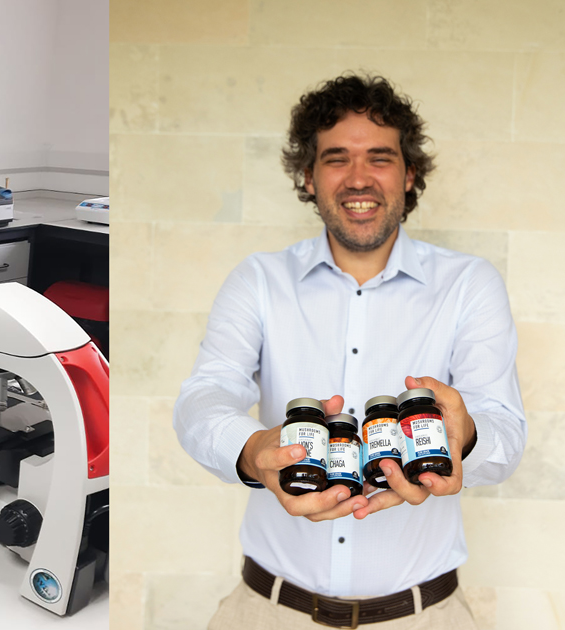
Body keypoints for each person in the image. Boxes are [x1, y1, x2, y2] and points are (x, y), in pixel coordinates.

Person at [173, 74, 527, 629]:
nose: (358, 178)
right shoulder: (259, 280)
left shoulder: (468, 285)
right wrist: (252, 450)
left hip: (424, 616)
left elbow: (505, 432)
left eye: (379, 158)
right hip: (267, 612)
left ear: (409, 174)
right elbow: (204, 395)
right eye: (336, 158)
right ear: (308, 177)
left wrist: (468, 436)